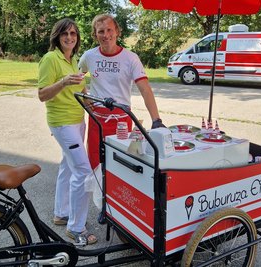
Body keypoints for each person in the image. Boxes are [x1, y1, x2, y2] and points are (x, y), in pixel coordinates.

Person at [38, 18, 97, 245]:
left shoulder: (74, 61)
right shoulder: (51, 59)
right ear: (57, 36)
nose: (70, 37)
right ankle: (75, 228)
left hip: (77, 120)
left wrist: (94, 107)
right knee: (83, 171)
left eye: (73, 33)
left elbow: (81, 89)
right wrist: (62, 82)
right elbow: (42, 94)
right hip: (62, 123)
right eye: (65, 33)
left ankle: (61, 213)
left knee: (67, 166)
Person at [79, 14, 165, 169]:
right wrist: (85, 96)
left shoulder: (130, 58)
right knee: (95, 164)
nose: (106, 35)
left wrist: (156, 120)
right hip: (97, 120)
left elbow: (145, 89)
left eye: (109, 30)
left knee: (121, 165)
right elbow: (77, 77)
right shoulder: (89, 56)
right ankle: (98, 193)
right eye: (101, 31)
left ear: (117, 31)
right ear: (95, 34)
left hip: (121, 120)